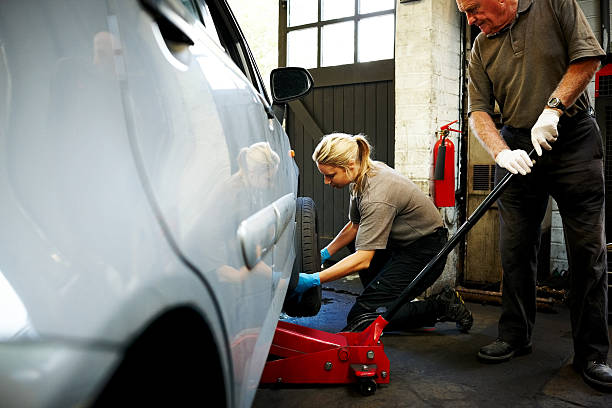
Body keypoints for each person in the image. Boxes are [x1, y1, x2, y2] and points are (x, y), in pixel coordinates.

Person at [456, 0, 612, 390]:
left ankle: (591, 353)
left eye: (474, 8)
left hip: (571, 134)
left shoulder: (553, 4)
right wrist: (501, 152)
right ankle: (514, 335)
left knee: (586, 252)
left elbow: (588, 57)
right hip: (517, 144)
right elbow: (477, 111)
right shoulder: (479, 48)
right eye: (464, 12)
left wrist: (553, 109)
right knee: (514, 247)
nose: (470, 19)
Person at [293, 133, 473, 333]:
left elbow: (363, 260)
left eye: (330, 175)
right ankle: (387, 299)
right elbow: (355, 225)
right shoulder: (363, 174)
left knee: (363, 317)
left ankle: (442, 305)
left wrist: (315, 279)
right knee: (359, 244)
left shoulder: (376, 195)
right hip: (401, 244)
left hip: (425, 251)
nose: (326, 181)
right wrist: (324, 254)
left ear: (350, 165)